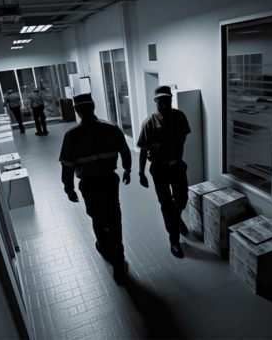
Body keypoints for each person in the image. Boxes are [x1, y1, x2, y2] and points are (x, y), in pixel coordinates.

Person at [59, 93, 132, 284]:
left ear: (77, 110)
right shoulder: (111, 129)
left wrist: (69, 187)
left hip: (90, 184)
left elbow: (67, 165)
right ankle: (118, 259)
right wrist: (127, 169)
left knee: (98, 218)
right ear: (93, 107)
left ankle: (106, 248)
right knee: (114, 218)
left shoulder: (72, 136)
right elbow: (125, 151)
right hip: (109, 181)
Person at [137, 86, 191, 258]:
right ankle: (174, 239)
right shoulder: (149, 124)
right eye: (161, 100)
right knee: (166, 203)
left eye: (167, 99)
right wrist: (141, 173)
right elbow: (144, 151)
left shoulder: (180, 117)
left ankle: (176, 219)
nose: (165, 102)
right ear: (155, 101)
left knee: (182, 197)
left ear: (171, 99)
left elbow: (183, 139)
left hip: (177, 166)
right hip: (159, 169)